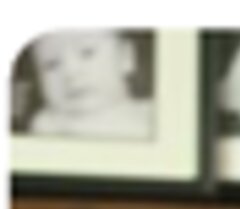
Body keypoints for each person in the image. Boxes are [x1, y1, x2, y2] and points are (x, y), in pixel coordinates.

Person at [25, 29, 154, 139]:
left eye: (87, 52)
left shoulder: (151, 116)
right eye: (52, 64)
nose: (70, 72)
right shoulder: (48, 126)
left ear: (125, 57)